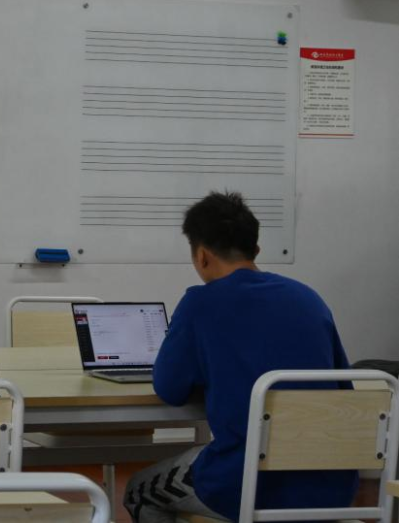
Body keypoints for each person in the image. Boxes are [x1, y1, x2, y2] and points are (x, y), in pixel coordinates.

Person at [124, 192, 356, 523]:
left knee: (138, 491)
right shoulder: (309, 298)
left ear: (202, 256)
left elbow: (169, 389)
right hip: (331, 486)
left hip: (246, 482)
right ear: (256, 250)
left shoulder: (199, 304)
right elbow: (341, 386)